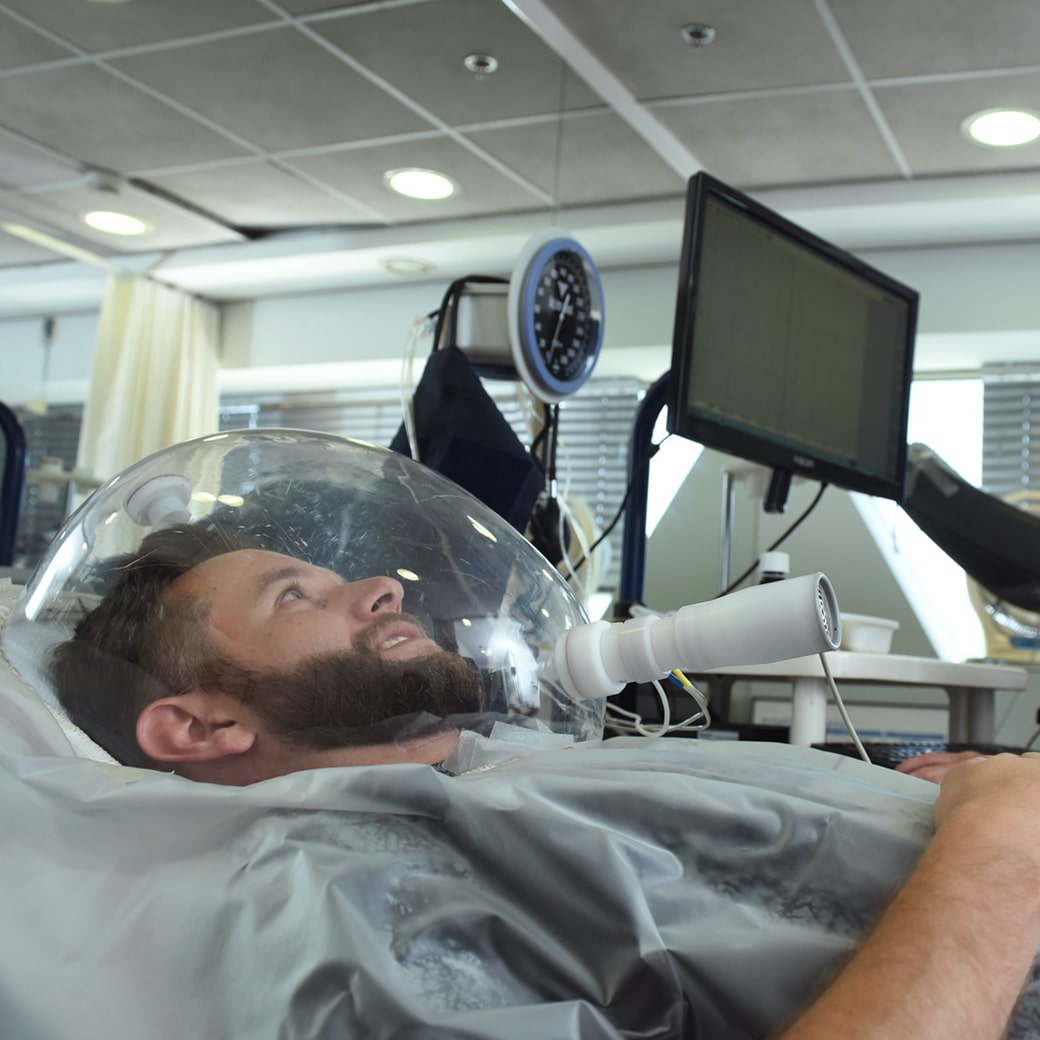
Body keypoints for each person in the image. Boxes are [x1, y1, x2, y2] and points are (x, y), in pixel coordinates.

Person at [45, 521, 1040, 1040]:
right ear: (201, 725)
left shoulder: (489, 778)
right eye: (294, 596)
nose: (380, 588)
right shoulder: (362, 908)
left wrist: (912, 803)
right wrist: (996, 855)